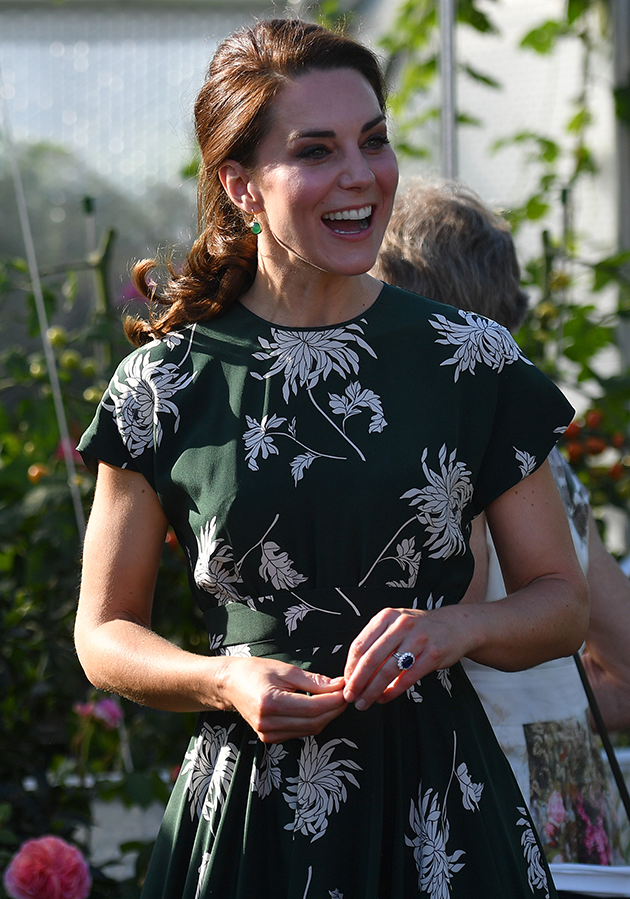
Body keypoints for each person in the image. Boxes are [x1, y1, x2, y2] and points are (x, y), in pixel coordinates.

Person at [74, 19, 589, 899]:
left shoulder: (473, 360)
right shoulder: (161, 384)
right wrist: (223, 677)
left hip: (442, 810)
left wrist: (455, 626)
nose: (361, 175)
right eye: (317, 151)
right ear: (240, 185)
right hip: (248, 820)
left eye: (374, 140)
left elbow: (563, 604)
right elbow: (103, 633)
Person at [373, 177, 630, 871]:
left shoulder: (439, 459)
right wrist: (548, 716)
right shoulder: (544, 462)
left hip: (482, 822)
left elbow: (443, 634)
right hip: (579, 824)